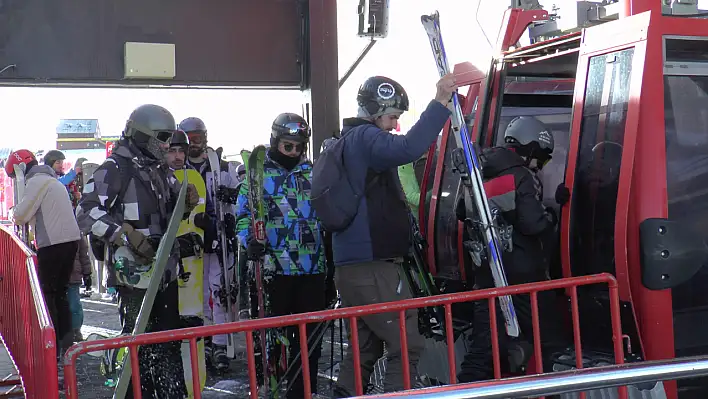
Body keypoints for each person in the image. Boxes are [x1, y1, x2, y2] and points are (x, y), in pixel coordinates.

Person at [329, 74, 456, 396]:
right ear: (375, 110)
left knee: (364, 350)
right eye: (392, 117)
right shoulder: (364, 139)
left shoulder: (348, 143)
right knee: (407, 346)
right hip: (374, 267)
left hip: (355, 266)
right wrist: (440, 102)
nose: (394, 126)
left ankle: (344, 393)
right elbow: (409, 148)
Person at [76, 104, 198, 398]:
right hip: (134, 279)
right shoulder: (116, 168)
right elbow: (85, 211)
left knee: (167, 345)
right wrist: (124, 235)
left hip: (163, 274)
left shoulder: (158, 170)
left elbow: (165, 219)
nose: (168, 145)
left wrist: (185, 205)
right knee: (138, 349)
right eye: (163, 137)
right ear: (144, 136)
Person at [456, 115, 567, 383]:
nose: (541, 165)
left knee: (485, 346)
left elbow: (461, 211)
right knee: (550, 341)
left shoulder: (478, 173)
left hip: (487, 273)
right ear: (530, 147)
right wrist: (553, 213)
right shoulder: (520, 176)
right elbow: (533, 224)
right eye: (543, 157)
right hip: (522, 277)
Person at [234, 113, 328, 399]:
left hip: (312, 269)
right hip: (275, 269)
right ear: (275, 142)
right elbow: (242, 217)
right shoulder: (259, 175)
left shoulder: (314, 174)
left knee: (308, 340)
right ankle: (271, 386)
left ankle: (302, 393)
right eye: (288, 146)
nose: (294, 152)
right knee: (275, 339)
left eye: (299, 147)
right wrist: (249, 240)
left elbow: (329, 215)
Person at [6, 149, 82, 357]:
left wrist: (12, 212)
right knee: (61, 294)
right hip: (70, 241)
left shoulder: (36, 181)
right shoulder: (50, 179)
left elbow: (21, 214)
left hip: (53, 244)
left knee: (48, 295)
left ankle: (52, 348)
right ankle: (67, 345)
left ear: (19, 171)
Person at [178, 116, 239, 371]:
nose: (194, 144)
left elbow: (239, 200)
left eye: (198, 138)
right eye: (189, 139)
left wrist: (231, 198)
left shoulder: (221, 167)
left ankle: (221, 344)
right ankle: (201, 342)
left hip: (217, 237)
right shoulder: (177, 171)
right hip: (191, 239)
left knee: (221, 291)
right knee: (197, 294)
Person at [68, 234, 91, 342]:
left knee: (74, 305)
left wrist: (87, 272)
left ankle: (76, 330)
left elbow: (83, 254)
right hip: (65, 274)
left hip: (73, 275)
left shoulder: (76, 231)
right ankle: (68, 331)